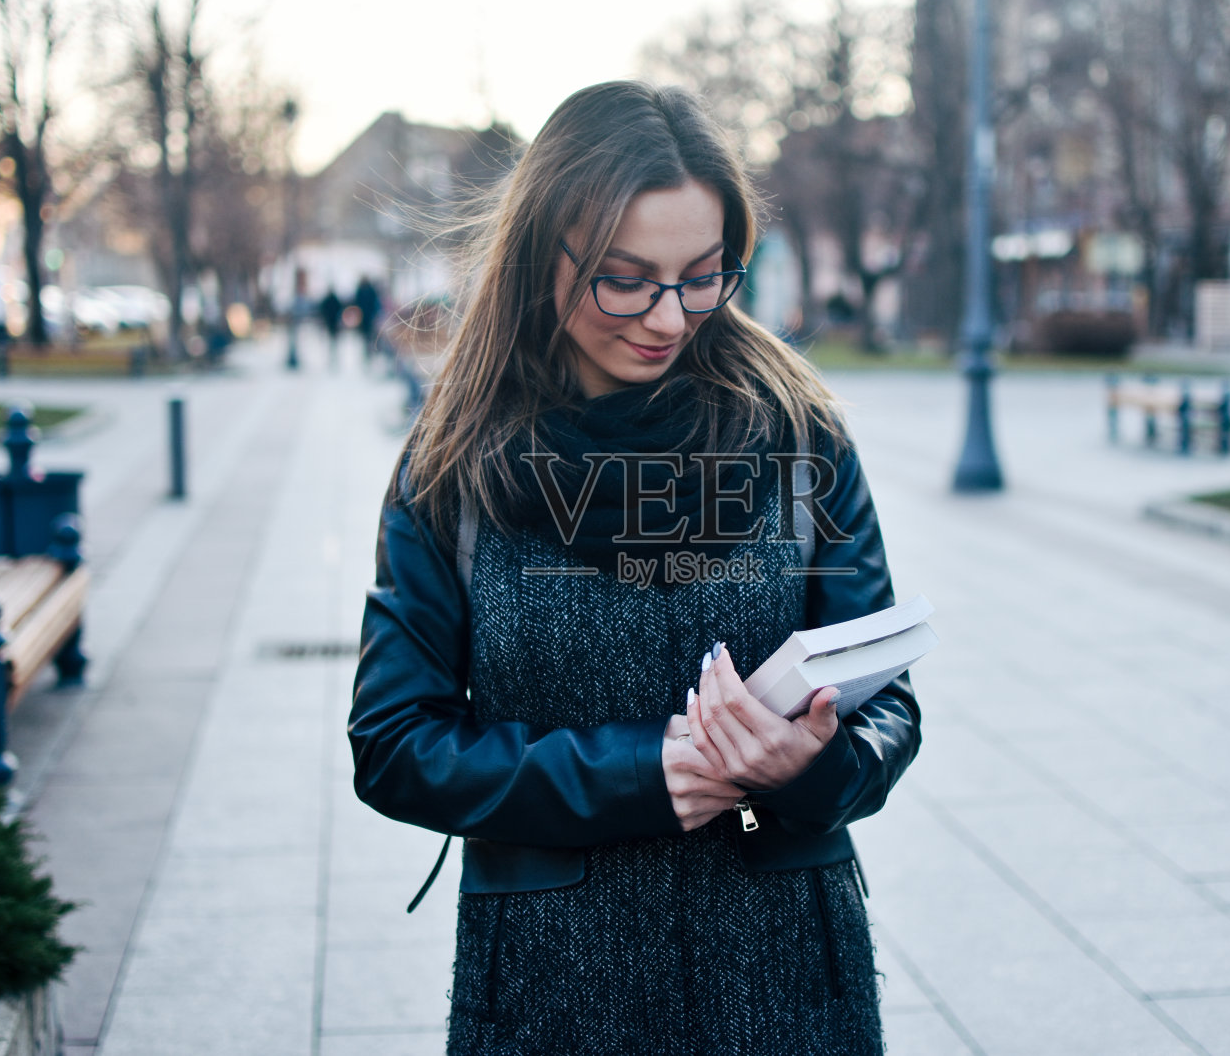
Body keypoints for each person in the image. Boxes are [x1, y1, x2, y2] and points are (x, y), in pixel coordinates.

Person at [348, 80, 920, 1055]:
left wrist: (815, 765)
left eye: (704, 274)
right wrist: (637, 771)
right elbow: (395, 742)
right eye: (626, 277)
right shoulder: (451, 460)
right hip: (549, 984)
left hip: (788, 974)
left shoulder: (800, 431)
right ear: (543, 256)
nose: (668, 315)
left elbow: (887, 705)